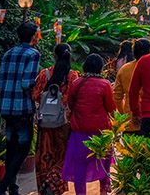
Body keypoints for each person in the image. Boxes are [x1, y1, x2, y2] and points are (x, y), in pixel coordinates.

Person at [0, 21, 41, 195]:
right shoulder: (33, 54)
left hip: (6, 106)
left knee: (11, 146)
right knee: (23, 148)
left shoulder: (8, 53)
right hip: (22, 107)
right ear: (33, 36)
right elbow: (26, 82)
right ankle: (3, 186)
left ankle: (12, 186)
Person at [63, 54, 115, 195]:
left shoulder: (76, 83)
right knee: (104, 163)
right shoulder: (105, 84)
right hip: (101, 132)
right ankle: (104, 191)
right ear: (100, 68)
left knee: (80, 167)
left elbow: (70, 104)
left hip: (79, 132)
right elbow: (111, 107)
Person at [32, 43, 78, 195]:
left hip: (45, 122)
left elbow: (35, 95)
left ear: (54, 55)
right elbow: (72, 99)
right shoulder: (73, 76)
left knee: (45, 154)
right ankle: (54, 184)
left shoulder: (45, 74)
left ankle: (45, 182)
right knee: (61, 156)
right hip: (64, 124)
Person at [113, 38, 150, 132]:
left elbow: (117, 96)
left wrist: (123, 114)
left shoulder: (124, 69)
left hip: (130, 118)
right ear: (149, 52)